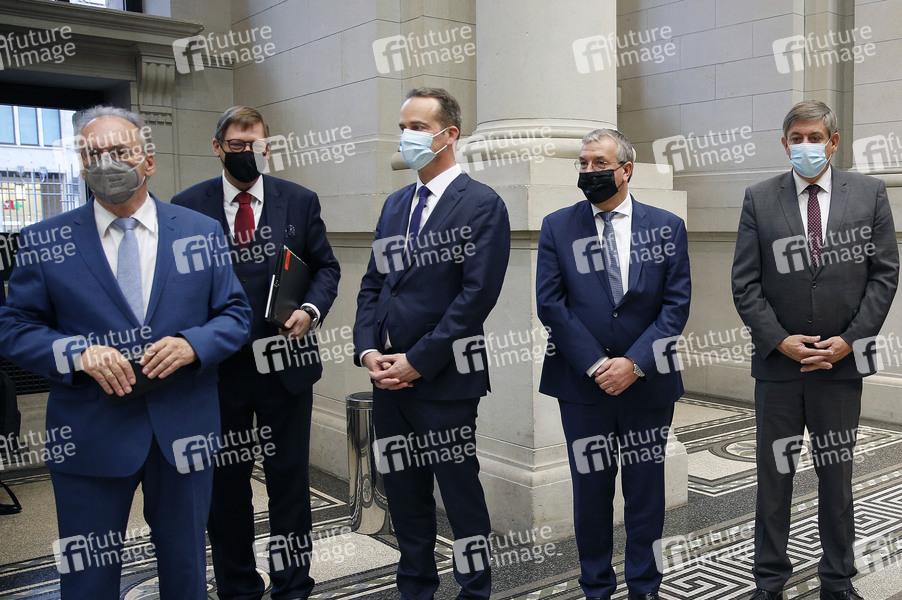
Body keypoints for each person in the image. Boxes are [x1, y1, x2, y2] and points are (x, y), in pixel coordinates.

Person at [0, 106, 252, 599]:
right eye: (93, 154)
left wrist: (193, 344)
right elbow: (14, 327)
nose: (106, 164)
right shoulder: (44, 241)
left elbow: (235, 316)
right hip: (90, 432)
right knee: (88, 579)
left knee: (186, 570)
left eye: (119, 151)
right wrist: (75, 353)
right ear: (81, 164)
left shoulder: (199, 232)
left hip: (183, 429)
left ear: (148, 161)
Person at [732, 100, 899, 600]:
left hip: (839, 369)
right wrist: (779, 340)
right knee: (774, 480)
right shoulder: (759, 198)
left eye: (815, 137)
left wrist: (849, 341)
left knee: (837, 480)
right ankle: (769, 582)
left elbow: (884, 275)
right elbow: (745, 284)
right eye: (796, 138)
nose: (806, 145)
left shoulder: (869, 193)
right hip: (778, 369)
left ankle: (837, 581)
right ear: (785, 144)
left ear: (833, 142)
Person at [172, 106, 340, 600]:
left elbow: (325, 267)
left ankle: (293, 586)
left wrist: (310, 309)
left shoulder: (299, 200)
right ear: (218, 147)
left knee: (290, 483)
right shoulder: (186, 206)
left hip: (286, 364)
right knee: (226, 488)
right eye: (237, 145)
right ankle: (238, 586)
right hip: (217, 373)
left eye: (257, 145)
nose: (248, 153)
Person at [353, 87, 510, 600]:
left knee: (460, 495)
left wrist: (418, 361)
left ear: (449, 134)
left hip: (445, 381)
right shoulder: (396, 204)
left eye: (418, 128)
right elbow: (374, 284)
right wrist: (368, 351)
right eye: (404, 127)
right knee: (404, 493)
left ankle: (474, 590)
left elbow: (475, 297)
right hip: (388, 380)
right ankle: (415, 587)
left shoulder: (482, 204)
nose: (407, 137)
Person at [536, 129, 691, 600]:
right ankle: (596, 588)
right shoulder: (557, 226)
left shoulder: (666, 226)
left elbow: (675, 306)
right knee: (590, 493)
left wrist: (634, 364)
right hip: (582, 387)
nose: (589, 172)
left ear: (626, 169)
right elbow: (551, 305)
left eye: (599, 163)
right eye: (583, 163)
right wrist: (598, 365)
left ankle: (645, 588)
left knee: (646, 494)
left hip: (649, 386)